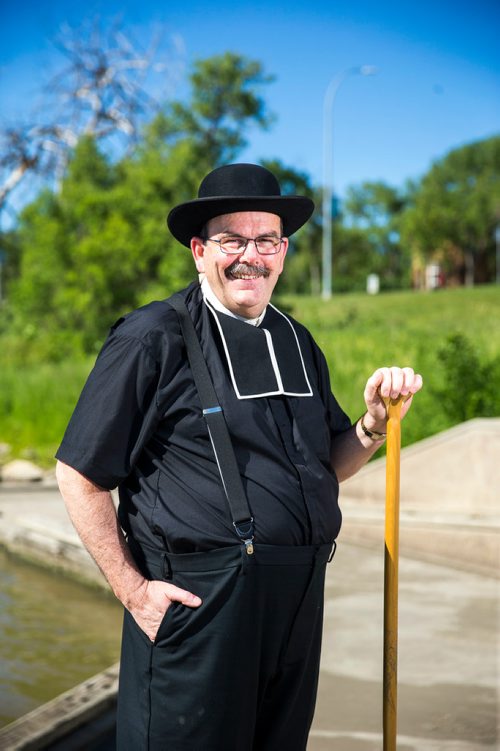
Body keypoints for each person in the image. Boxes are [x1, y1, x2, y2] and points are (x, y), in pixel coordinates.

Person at [56, 163, 422, 751]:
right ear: (200, 251)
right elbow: (79, 474)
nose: (250, 255)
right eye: (232, 240)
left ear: (283, 251)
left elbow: (329, 462)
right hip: (201, 606)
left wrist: (376, 423)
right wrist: (133, 591)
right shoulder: (153, 337)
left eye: (266, 240)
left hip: (298, 598)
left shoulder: (297, 341)